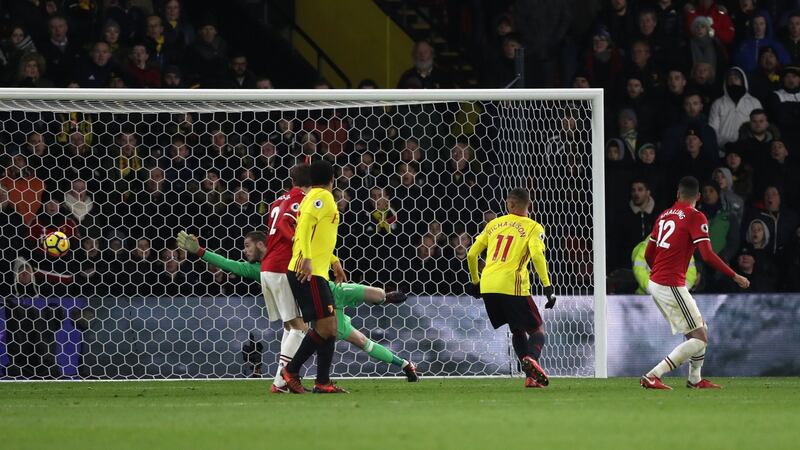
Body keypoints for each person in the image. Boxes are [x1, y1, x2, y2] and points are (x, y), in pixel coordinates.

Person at [176, 230, 418, 381]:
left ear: (261, 244)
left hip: (331, 291)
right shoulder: (260, 270)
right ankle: (406, 365)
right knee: (363, 342)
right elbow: (229, 264)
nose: (244, 250)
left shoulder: (289, 251)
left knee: (377, 294)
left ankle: (386, 298)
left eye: (248, 246)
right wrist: (200, 251)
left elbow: (315, 246)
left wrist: (333, 261)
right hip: (320, 310)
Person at [640, 176, 750, 390]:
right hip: (669, 284)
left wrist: (660, 273)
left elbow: (648, 254)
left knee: (700, 329)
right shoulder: (695, 216)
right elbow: (707, 256)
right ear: (698, 197)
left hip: (660, 281)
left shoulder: (663, 215)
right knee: (700, 338)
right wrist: (734, 275)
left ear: (677, 194)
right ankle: (654, 375)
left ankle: (695, 379)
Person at [465, 188, 556, 389]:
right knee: (537, 328)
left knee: (517, 330)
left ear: (510, 204)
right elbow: (538, 256)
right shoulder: (534, 227)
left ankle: (531, 377)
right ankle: (532, 358)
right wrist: (547, 285)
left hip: (488, 284)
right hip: (512, 285)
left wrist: (475, 282)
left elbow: (471, 254)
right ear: (528, 205)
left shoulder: (493, 224)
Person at [280, 160, 346, 393]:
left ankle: (322, 382)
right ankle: (291, 370)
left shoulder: (311, 196)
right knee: (327, 327)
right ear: (332, 179)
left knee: (330, 326)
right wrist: (307, 258)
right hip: (308, 271)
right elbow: (306, 224)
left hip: (314, 269)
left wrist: (334, 261)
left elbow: (319, 236)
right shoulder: (323, 197)